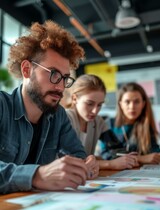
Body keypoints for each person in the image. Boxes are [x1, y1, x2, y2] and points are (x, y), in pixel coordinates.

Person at [0, 20, 99, 194]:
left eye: (65, 78)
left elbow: (78, 155)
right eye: (53, 74)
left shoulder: (58, 115)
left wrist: (85, 164)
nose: (60, 87)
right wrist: (37, 175)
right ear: (26, 70)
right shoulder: (2, 106)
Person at [64, 74, 138, 170]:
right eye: (90, 104)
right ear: (75, 99)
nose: (95, 111)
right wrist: (111, 164)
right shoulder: (65, 118)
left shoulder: (98, 121)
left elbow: (115, 150)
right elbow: (70, 162)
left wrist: (127, 158)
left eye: (99, 105)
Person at [100, 82, 160, 164]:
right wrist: (139, 158)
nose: (132, 107)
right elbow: (105, 155)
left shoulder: (146, 126)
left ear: (143, 104)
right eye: (127, 102)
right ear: (120, 104)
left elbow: (153, 153)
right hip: (113, 173)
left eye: (137, 102)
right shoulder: (109, 124)